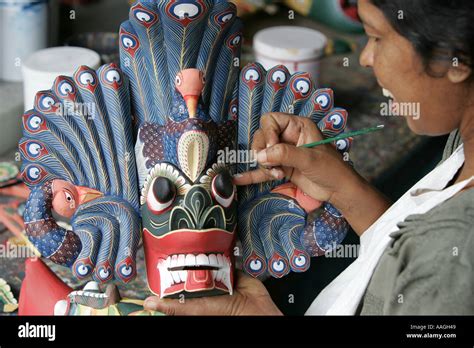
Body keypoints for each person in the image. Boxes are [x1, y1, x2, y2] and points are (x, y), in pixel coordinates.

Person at [144, 0, 474, 315]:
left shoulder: (453, 262)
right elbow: (406, 252)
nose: (365, 57)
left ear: (454, 59)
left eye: (375, 37)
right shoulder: (465, 147)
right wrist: (342, 186)